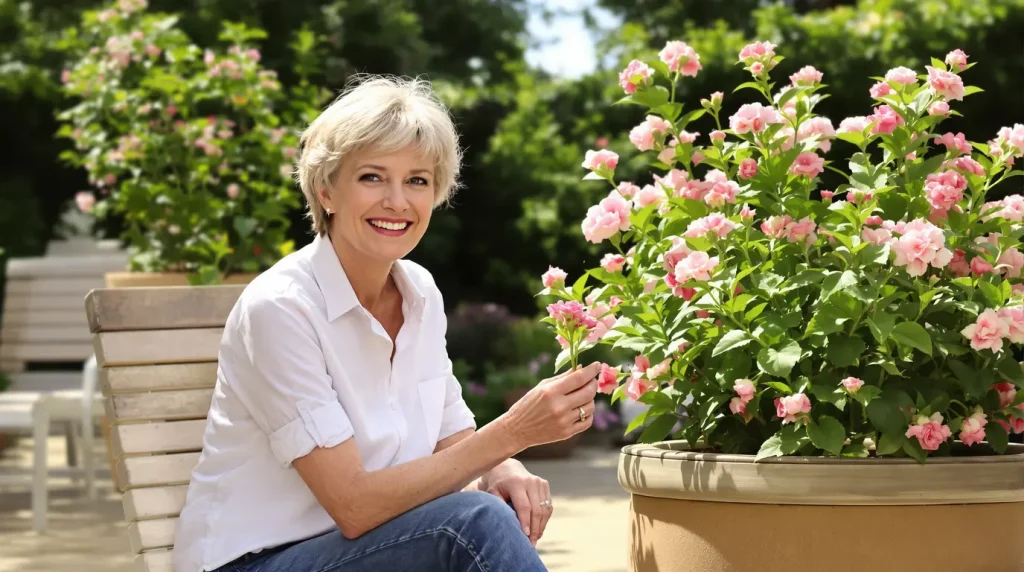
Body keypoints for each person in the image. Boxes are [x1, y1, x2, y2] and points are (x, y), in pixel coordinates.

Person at [171, 75, 601, 572]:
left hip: (371, 549)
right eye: (372, 177)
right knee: (470, 526)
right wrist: (512, 434)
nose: (397, 201)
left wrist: (502, 467)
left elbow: (451, 435)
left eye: (417, 181)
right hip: (255, 561)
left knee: (488, 512)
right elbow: (354, 506)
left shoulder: (419, 292)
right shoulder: (281, 308)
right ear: (326, 190)